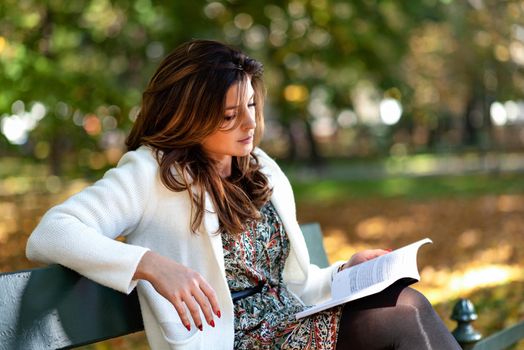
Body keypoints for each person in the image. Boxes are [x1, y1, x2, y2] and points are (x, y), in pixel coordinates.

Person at [26, 39, 460, 350]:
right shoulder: (153, 172)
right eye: (230, 115)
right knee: (404, 315)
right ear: (189, 116)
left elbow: (297, 283)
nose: (249, 124)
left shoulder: (261, 169)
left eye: (251, 106)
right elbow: (51, 232)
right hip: (230, 340)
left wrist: (349, 271)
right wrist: (149, 266)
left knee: (405, 302)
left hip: (293, 324)